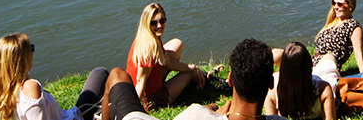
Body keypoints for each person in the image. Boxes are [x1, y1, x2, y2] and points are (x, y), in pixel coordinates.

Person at [103, 38, 283, 120]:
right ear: (271, 83)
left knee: (117, 75)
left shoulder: (195, 114)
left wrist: (210, 110)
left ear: (230, 79)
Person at [0, 33, 109, 120]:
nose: (32, 53)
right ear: (22, 59)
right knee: (100, 73)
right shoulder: (29, 88)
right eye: (31, 48)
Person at [126, 3, 205, 110]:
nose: (159, 26)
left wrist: (193, 67)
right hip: (152, 99)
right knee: (190, 73)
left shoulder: (149, 36)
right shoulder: (148, 48)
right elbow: (140, 81)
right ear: (146, 23)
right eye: (154, 23)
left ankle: (200, 77)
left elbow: (169, 63)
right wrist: (134, 109)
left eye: (162, 21)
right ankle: (201, 82)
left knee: (177, 44)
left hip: (136, 85)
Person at [281, 0, 363, 85]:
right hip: (313, 62)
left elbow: (359, 56)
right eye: (334, 3)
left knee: (328, 57)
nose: (335, 7)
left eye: (340, 4)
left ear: (350, 7)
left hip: (328, 64)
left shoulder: (353, 27)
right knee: (276, 53)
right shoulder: (332, 22)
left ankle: (298, 82)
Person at [264, 42, 335, 120]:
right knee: (329, 56)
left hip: (294, 80)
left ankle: (291, 62)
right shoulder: (323, 89)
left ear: (282, 69)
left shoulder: (272, 92)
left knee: (276, 54)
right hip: (320, 77)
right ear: (309, 66)